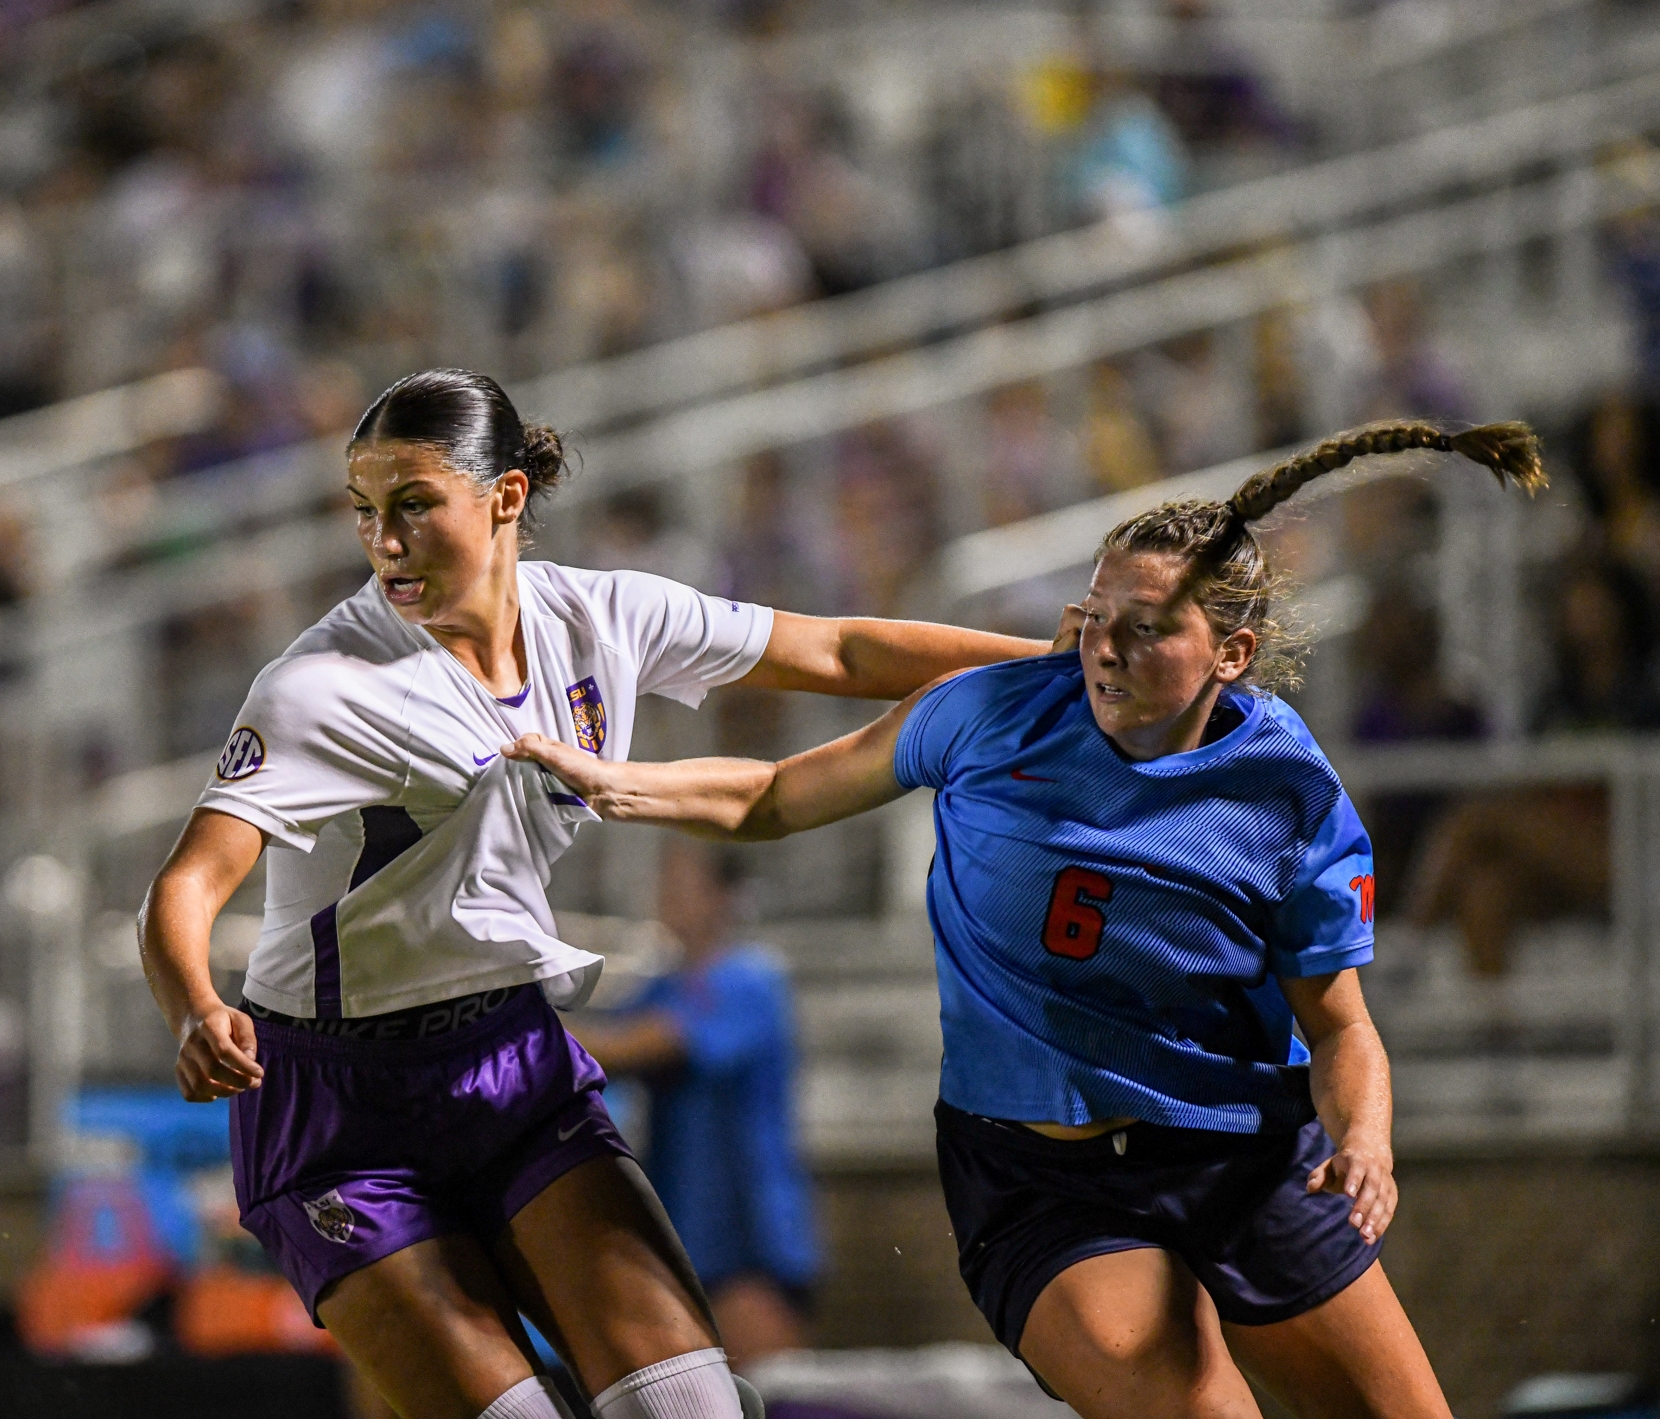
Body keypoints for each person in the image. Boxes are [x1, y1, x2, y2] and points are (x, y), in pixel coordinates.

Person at [505, 418, 1546, 1419]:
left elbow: (1339, 1026)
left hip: (1242, 1159)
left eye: (1147, 630)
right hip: (1045, 1178)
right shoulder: (992, 713)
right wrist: (617, 782)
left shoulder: (1284, 790)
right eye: (1094, 617)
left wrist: (1367, 1138)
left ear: (1230, 654)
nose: (1104, 650)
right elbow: (775, 796)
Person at [137, 368, 1058, 1419]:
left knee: (692, 1411)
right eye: (364, 514)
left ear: (507, 499)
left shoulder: (604, 616)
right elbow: (189, 882)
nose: (383, 543)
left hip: (510, 1064)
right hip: (338, 1113)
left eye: (412, 506)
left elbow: (838, 648)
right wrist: (195, 1010)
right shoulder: (322, 686)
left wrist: (1073, 669)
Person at [571, 841, 821, 1369]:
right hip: (683, 1237)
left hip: (747, 1241)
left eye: (683, 884)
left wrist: (513, 1022)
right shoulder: (660, 987)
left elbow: (639, 1044)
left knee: (766, 1393)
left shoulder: (750, 979)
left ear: (724, 895)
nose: (667, 898)